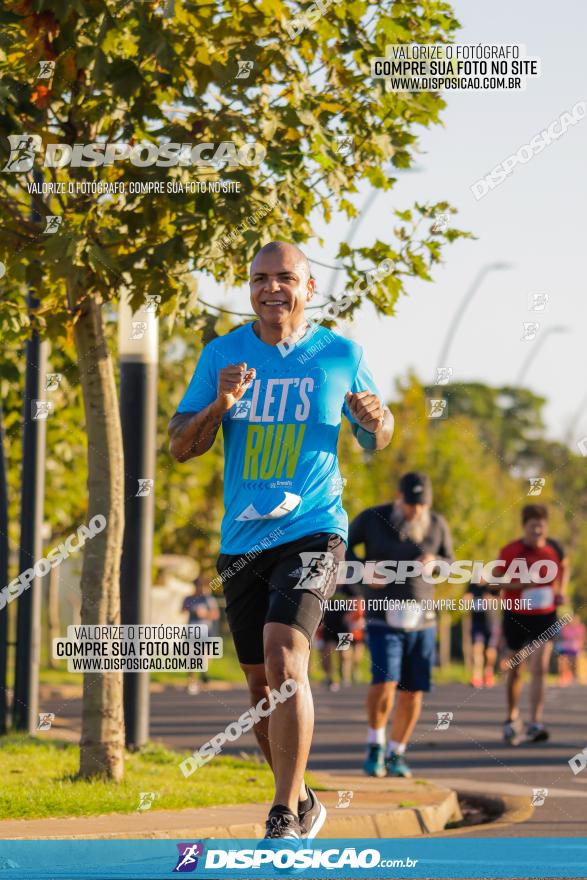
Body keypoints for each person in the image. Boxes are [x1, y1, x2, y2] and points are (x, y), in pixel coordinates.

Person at [168, 240, 393, 841]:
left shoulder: (340, 353)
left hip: (315, 529)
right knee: (259, 686)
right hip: (242, 538)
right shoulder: (223, 353)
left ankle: (281, 813)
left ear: (309, 288)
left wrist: (375, 420)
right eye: (260, 278)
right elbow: (181, 446)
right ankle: (304, 798)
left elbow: (378, 435)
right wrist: (220, 403)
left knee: (284, 655)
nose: (272, 288)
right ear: (249, 288)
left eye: (285, 277)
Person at [348, 472, 454, 779]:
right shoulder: (372, 518)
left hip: (422, 618)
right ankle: (375, 746)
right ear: (399, 497)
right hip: (382, 614)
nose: (416, 511)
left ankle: (397, 752)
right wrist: (363, 570)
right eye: (410, 504)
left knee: (413, 690)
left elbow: (450, 562)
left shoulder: (437, 524)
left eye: (421, 505)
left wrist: (436, 564)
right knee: (384, 682)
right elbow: (340, 548)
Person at [495, 504, 569, 745]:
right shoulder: (510, 551)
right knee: (517, 668)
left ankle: (536, 722)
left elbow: (564, 566)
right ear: (524, 527)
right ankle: (512, 718)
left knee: (540, 666)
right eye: (532, 526)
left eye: (541, 525)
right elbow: (494, 583)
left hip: (545, 615)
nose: (537, 530)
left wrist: (561, 591)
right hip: (517, 614)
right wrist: (520, 585)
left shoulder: (554, 548)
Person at [316, 584, 365, 690]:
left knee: (344, 653)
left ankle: (345, 677)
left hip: (343, 627)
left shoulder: (349, 587)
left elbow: (359, 601)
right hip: (328, 625)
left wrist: (353, 615)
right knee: (327, 651)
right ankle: (329, 677)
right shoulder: (326, 585)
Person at [181, 576, 220, 694]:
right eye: (197, 585)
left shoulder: (207, 599)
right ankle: (191, 681)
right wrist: (191, 609)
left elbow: (215, 614)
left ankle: (204, 676)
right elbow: (182, 609)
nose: (199, 588)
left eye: (201, 586)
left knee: (203, 656)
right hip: (192, 631)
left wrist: (204, 613)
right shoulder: (189, 598)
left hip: (205, 631)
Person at [463, 579, 501, 688]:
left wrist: (490, 600)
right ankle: (477, 676)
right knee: (477, 649)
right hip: (477, 622)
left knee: (490, 652)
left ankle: (488, 672)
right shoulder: (472, 584)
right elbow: (466, 597)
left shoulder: (493, 584)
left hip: (491, 622)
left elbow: (501, 599)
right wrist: (467, 600)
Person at [556, 616, 585, 686]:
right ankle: (563, 677)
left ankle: (575, 677)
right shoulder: (566, 628)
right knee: (562, 661)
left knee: (575, 662)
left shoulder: (580, 628)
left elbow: (582, 639)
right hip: (566, 649)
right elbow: (563, 638)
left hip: (575, 649)